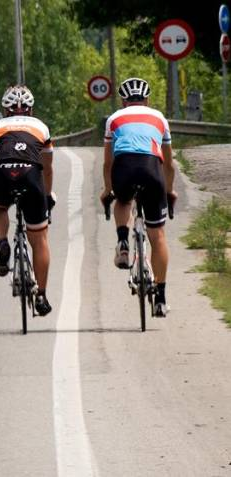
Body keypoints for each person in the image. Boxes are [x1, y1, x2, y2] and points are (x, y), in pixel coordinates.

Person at [100, 77, 177, 317]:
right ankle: (161, 298)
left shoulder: (114, 119)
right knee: (158, 236)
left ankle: (123, 240)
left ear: (124, 101)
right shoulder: (159, 118)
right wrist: (170, 190)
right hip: (152, 170)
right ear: (147, 99)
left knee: (123, 201)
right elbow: (169, 163)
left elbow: (107, 162)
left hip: (123, 168)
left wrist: (107, 190)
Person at [0, 85, 55, 316]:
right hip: (32, 178)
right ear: (30, 109)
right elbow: (48, 168)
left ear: (5, 109)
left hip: (3, 175)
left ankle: (3, 244)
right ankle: (41, 295)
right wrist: (47, 195)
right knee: (40, 240)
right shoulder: (41, 127)